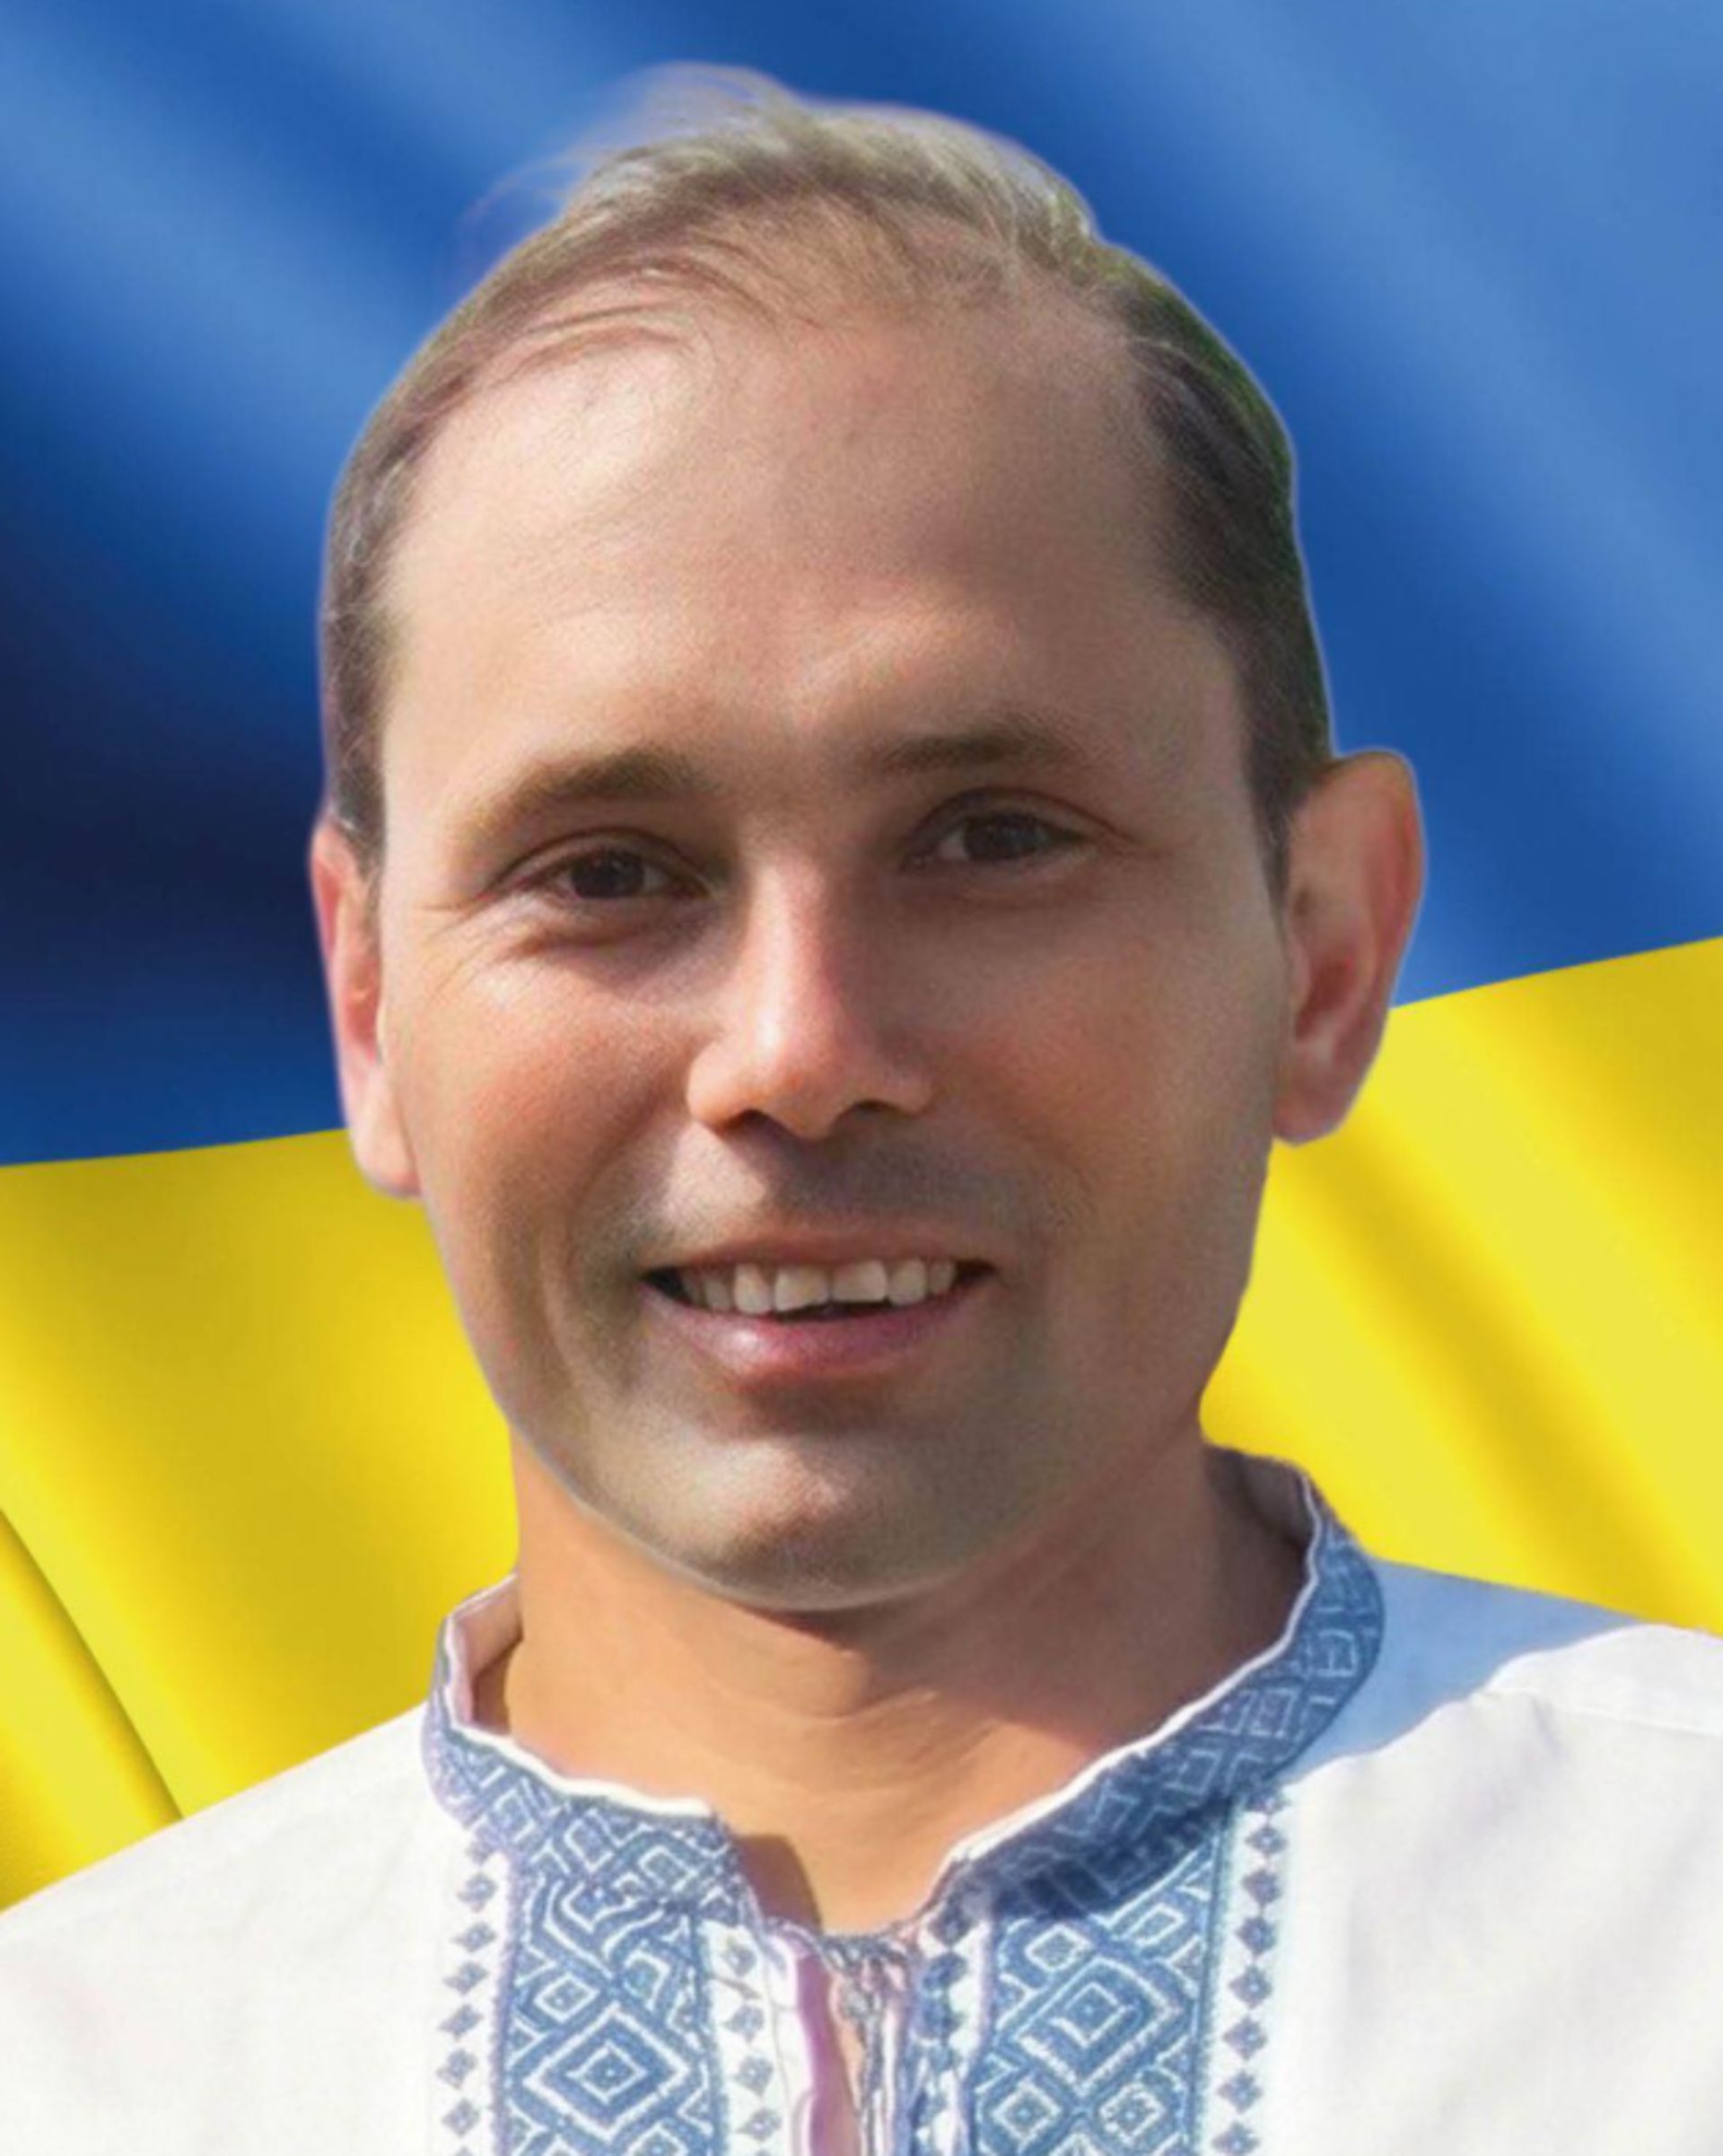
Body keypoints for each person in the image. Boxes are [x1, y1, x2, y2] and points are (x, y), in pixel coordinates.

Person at [4, 72, 1721, 2156]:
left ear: (1326, 949)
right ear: (370, 1008)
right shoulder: (76, 2075)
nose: (799, 1049)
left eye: (991, 836)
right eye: (607, 871)